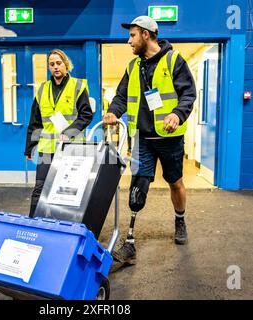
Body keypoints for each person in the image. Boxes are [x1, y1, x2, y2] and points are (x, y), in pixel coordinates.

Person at [103, 16, 196, 272]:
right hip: (142, 138)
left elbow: (188, 93)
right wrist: (113, 112)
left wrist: (177, 114)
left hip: (169, 139)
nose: (128, 40)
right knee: (138, 185)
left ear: (146, 34)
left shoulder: (174, 61)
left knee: (175, 182)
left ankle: (180, 220)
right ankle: (130, 241)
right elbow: (121, 96)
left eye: (132, 35)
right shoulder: (133, 67)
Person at [25, 49, 93, 217]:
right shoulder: (42, 90)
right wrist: (30, 147)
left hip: (71, 148)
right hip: (46, 148)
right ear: (49, 67)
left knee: (68, 190)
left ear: (66, 64)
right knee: (40, 188)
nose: (56, 67)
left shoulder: (78, 85)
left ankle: (66, 225)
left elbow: (86, 115)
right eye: (52, 64)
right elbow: (35, 121)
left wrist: (69, 132)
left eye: (59, 63)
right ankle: (33, 224)